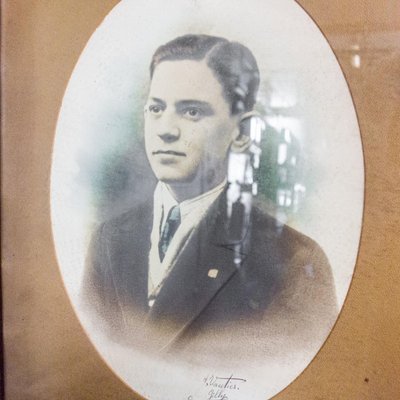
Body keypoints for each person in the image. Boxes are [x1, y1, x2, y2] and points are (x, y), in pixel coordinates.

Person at [81, 34, 337, 359]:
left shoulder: (294, 263)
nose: (165, 129)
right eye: (156, 108)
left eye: (191, 112)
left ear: (242, 133)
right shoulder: (110, 239)